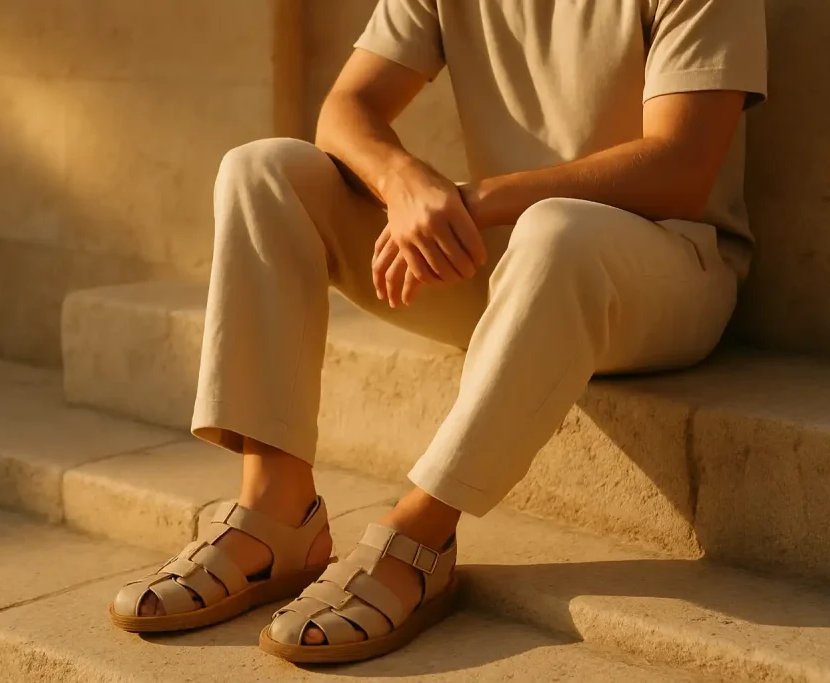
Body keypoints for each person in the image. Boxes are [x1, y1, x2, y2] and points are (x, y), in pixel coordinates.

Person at [109, 0, 767, 664]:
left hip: (667, 267)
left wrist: (474, 201)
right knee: (263, 170)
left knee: (555, 231)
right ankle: (276, 507)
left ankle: (422, 532)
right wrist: (404, 184)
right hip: (502, 259)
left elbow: (681, 167)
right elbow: (346, 108)